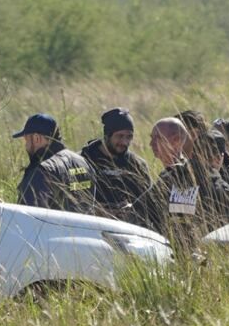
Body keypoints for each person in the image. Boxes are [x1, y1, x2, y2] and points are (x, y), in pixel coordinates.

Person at [131, 118, 207, 255]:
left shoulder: (182, 176)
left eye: (157, 138)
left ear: (176, 140)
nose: (151, 144)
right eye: (151, 138)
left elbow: (182, 225)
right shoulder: (169, 174)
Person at [80, 107, 152, 224]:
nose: (124, 142)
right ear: (107, 135)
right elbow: (71, 200)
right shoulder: (82, 160)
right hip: (90, 227)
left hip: (129, 229)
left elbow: (150, 204)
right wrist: (96, 211)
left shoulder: (138, 165)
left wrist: (132, 209)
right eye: (120, 136)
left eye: (129, 136)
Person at [14, 113, 94, 213]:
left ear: (37, 138)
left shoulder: (42, 170)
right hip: (86, 223)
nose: (26, 146)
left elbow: (27, 215)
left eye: (26, 140)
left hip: (54, 224)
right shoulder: (83, 162)